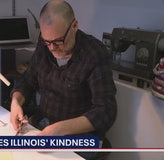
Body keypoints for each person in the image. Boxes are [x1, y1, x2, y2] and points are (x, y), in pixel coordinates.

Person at [10, 0, 117, 159]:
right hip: (45, 125)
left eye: (58, 41)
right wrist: (16, 102)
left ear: (74, 26)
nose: (52, 48)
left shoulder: (94, 54)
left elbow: (106, 111)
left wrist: (60, 129)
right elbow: (27, 80)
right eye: (47, 42)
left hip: (80, 136)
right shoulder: (44, 45)